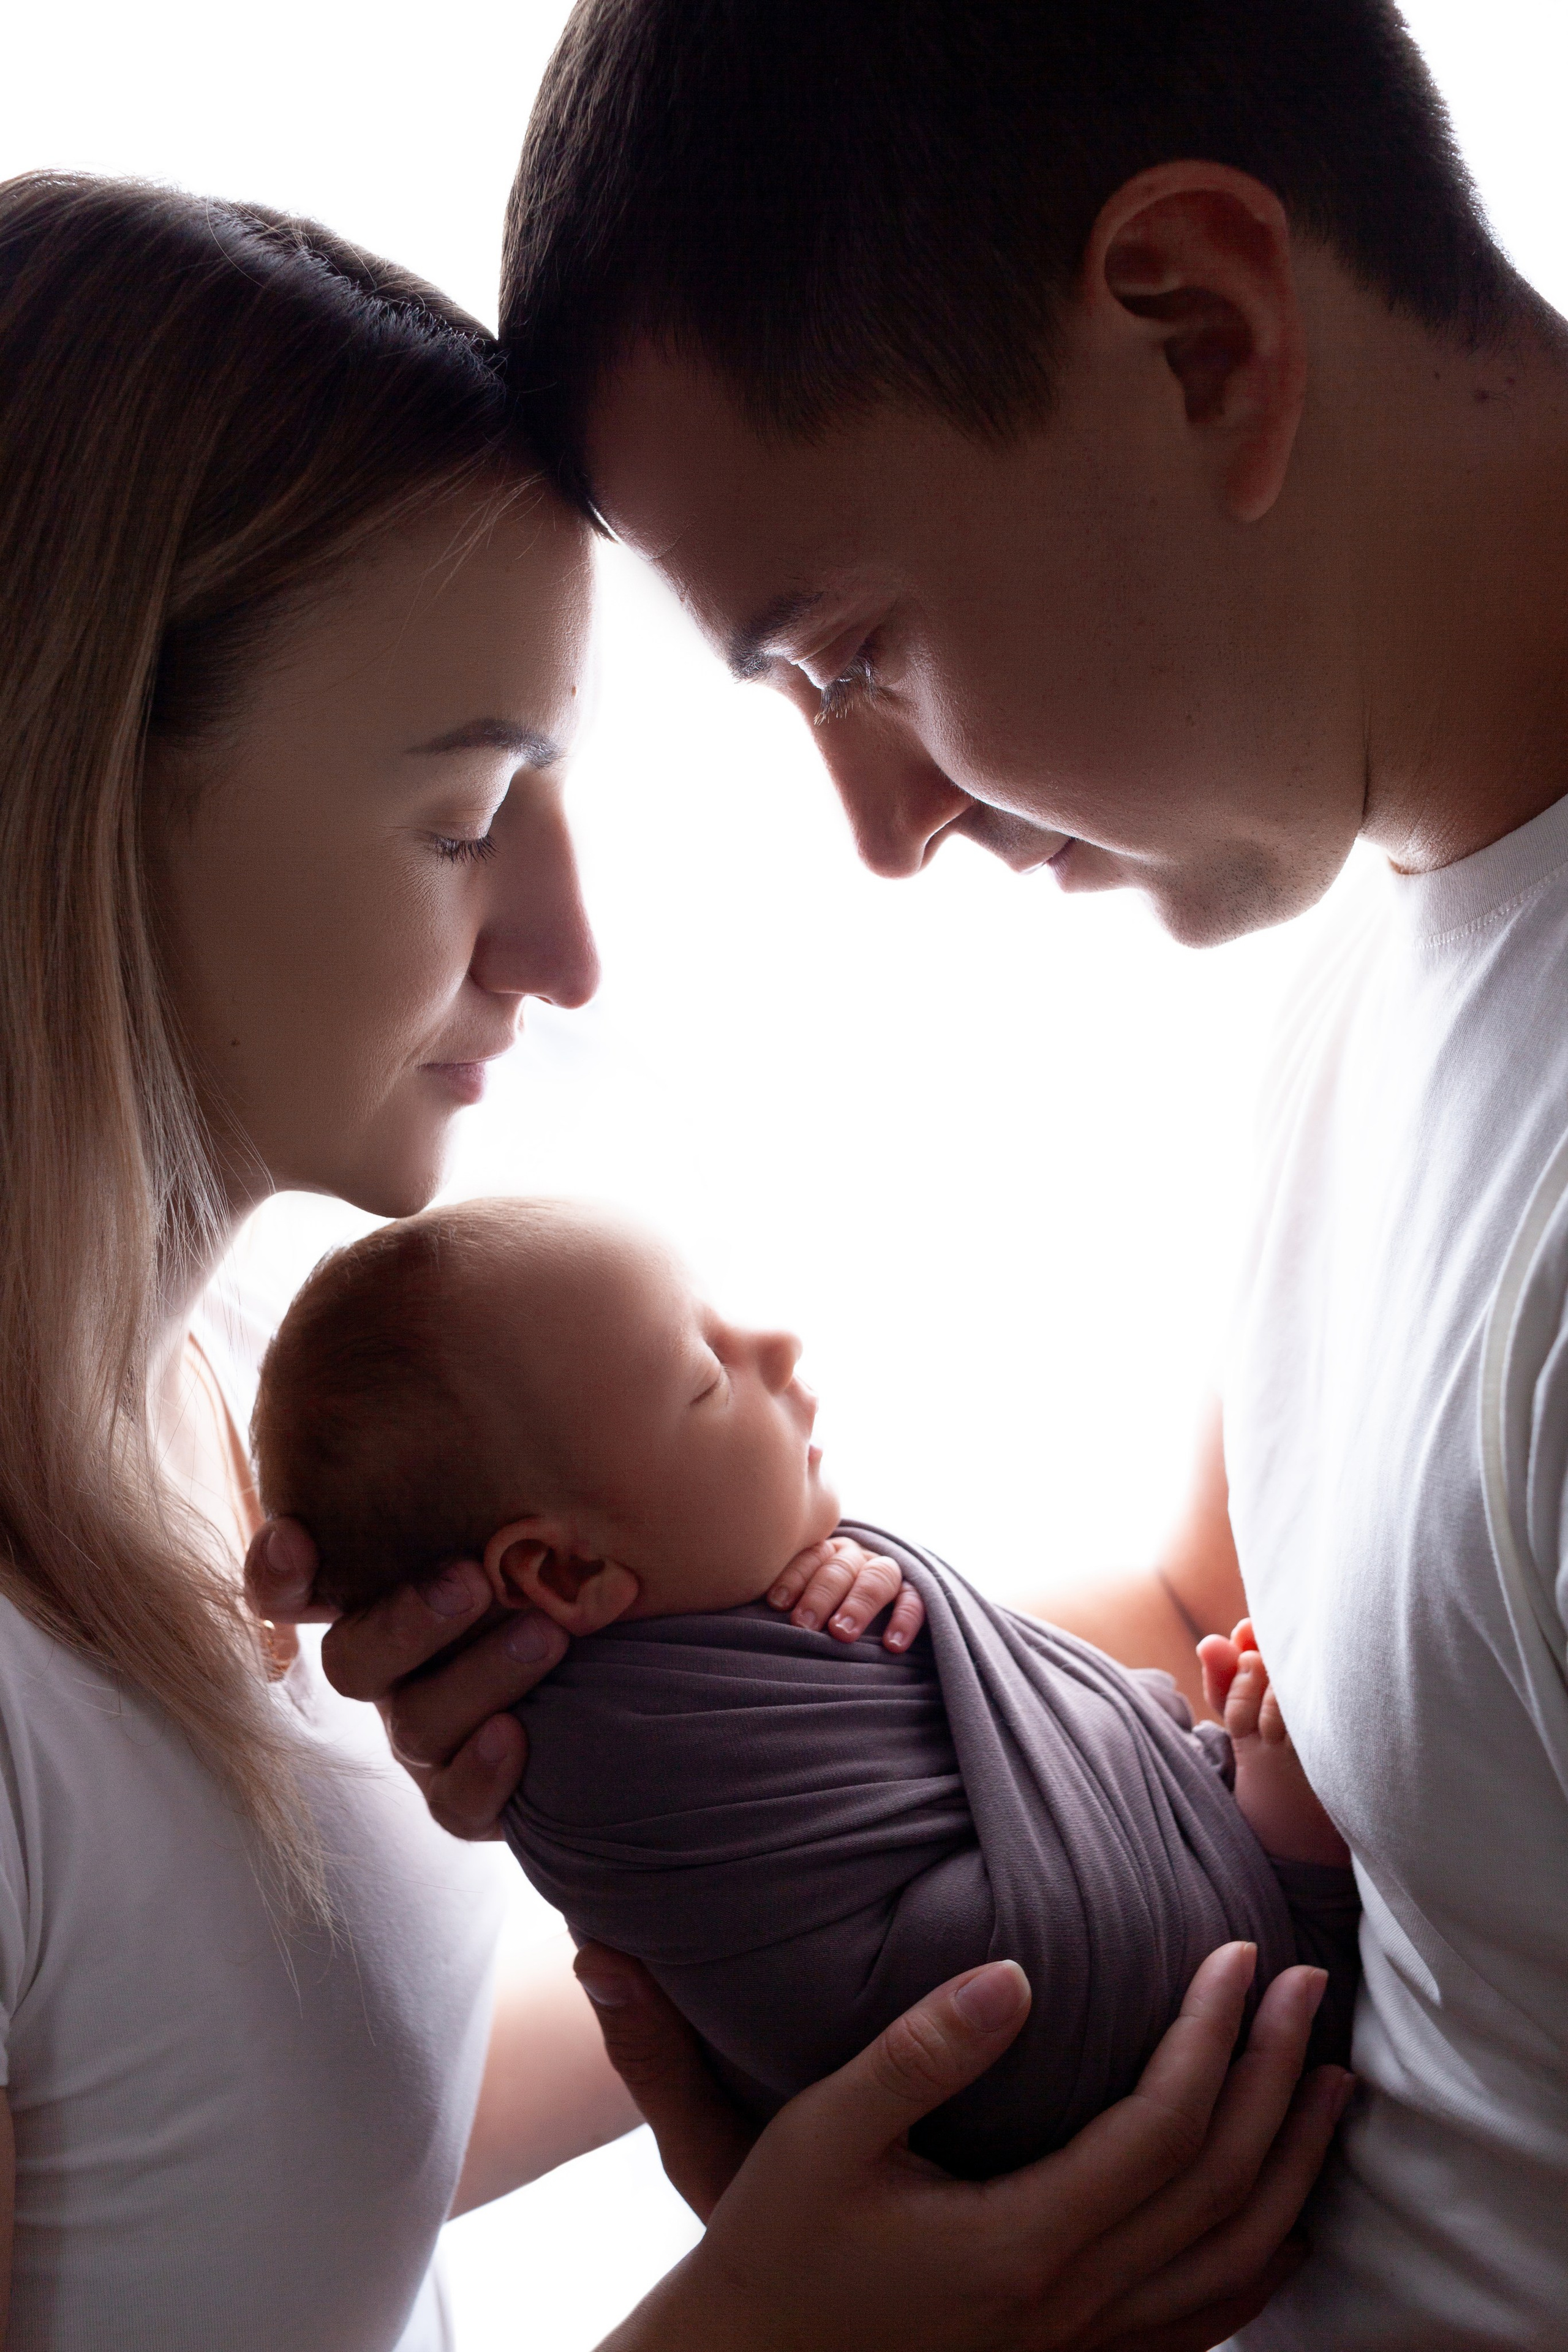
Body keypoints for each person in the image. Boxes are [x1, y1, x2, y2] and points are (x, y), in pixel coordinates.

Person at [258, 1, 1568, 2344]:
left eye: (856, 653)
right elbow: (1227, 1636)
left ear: (1202, 331)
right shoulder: (1381, 985)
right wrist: (691, 1724)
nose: (883, 829)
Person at [0, 168, 1341, 2351]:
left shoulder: (228, 1438)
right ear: (60, 788)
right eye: (459, 817)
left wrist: (746, 1937)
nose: (572, 945)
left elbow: (269, 2138)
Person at [247, 1196, 1355, 2171]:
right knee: (1093, 1972)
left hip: (1080, 1947)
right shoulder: (623, 1753)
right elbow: (899, 1968)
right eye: (702, 1375)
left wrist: (884, 1577)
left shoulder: (695, 1626)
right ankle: (1290, 1864)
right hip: (1052, 2018)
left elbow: (934, 1733)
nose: (775, 1345)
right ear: (567, 1570)